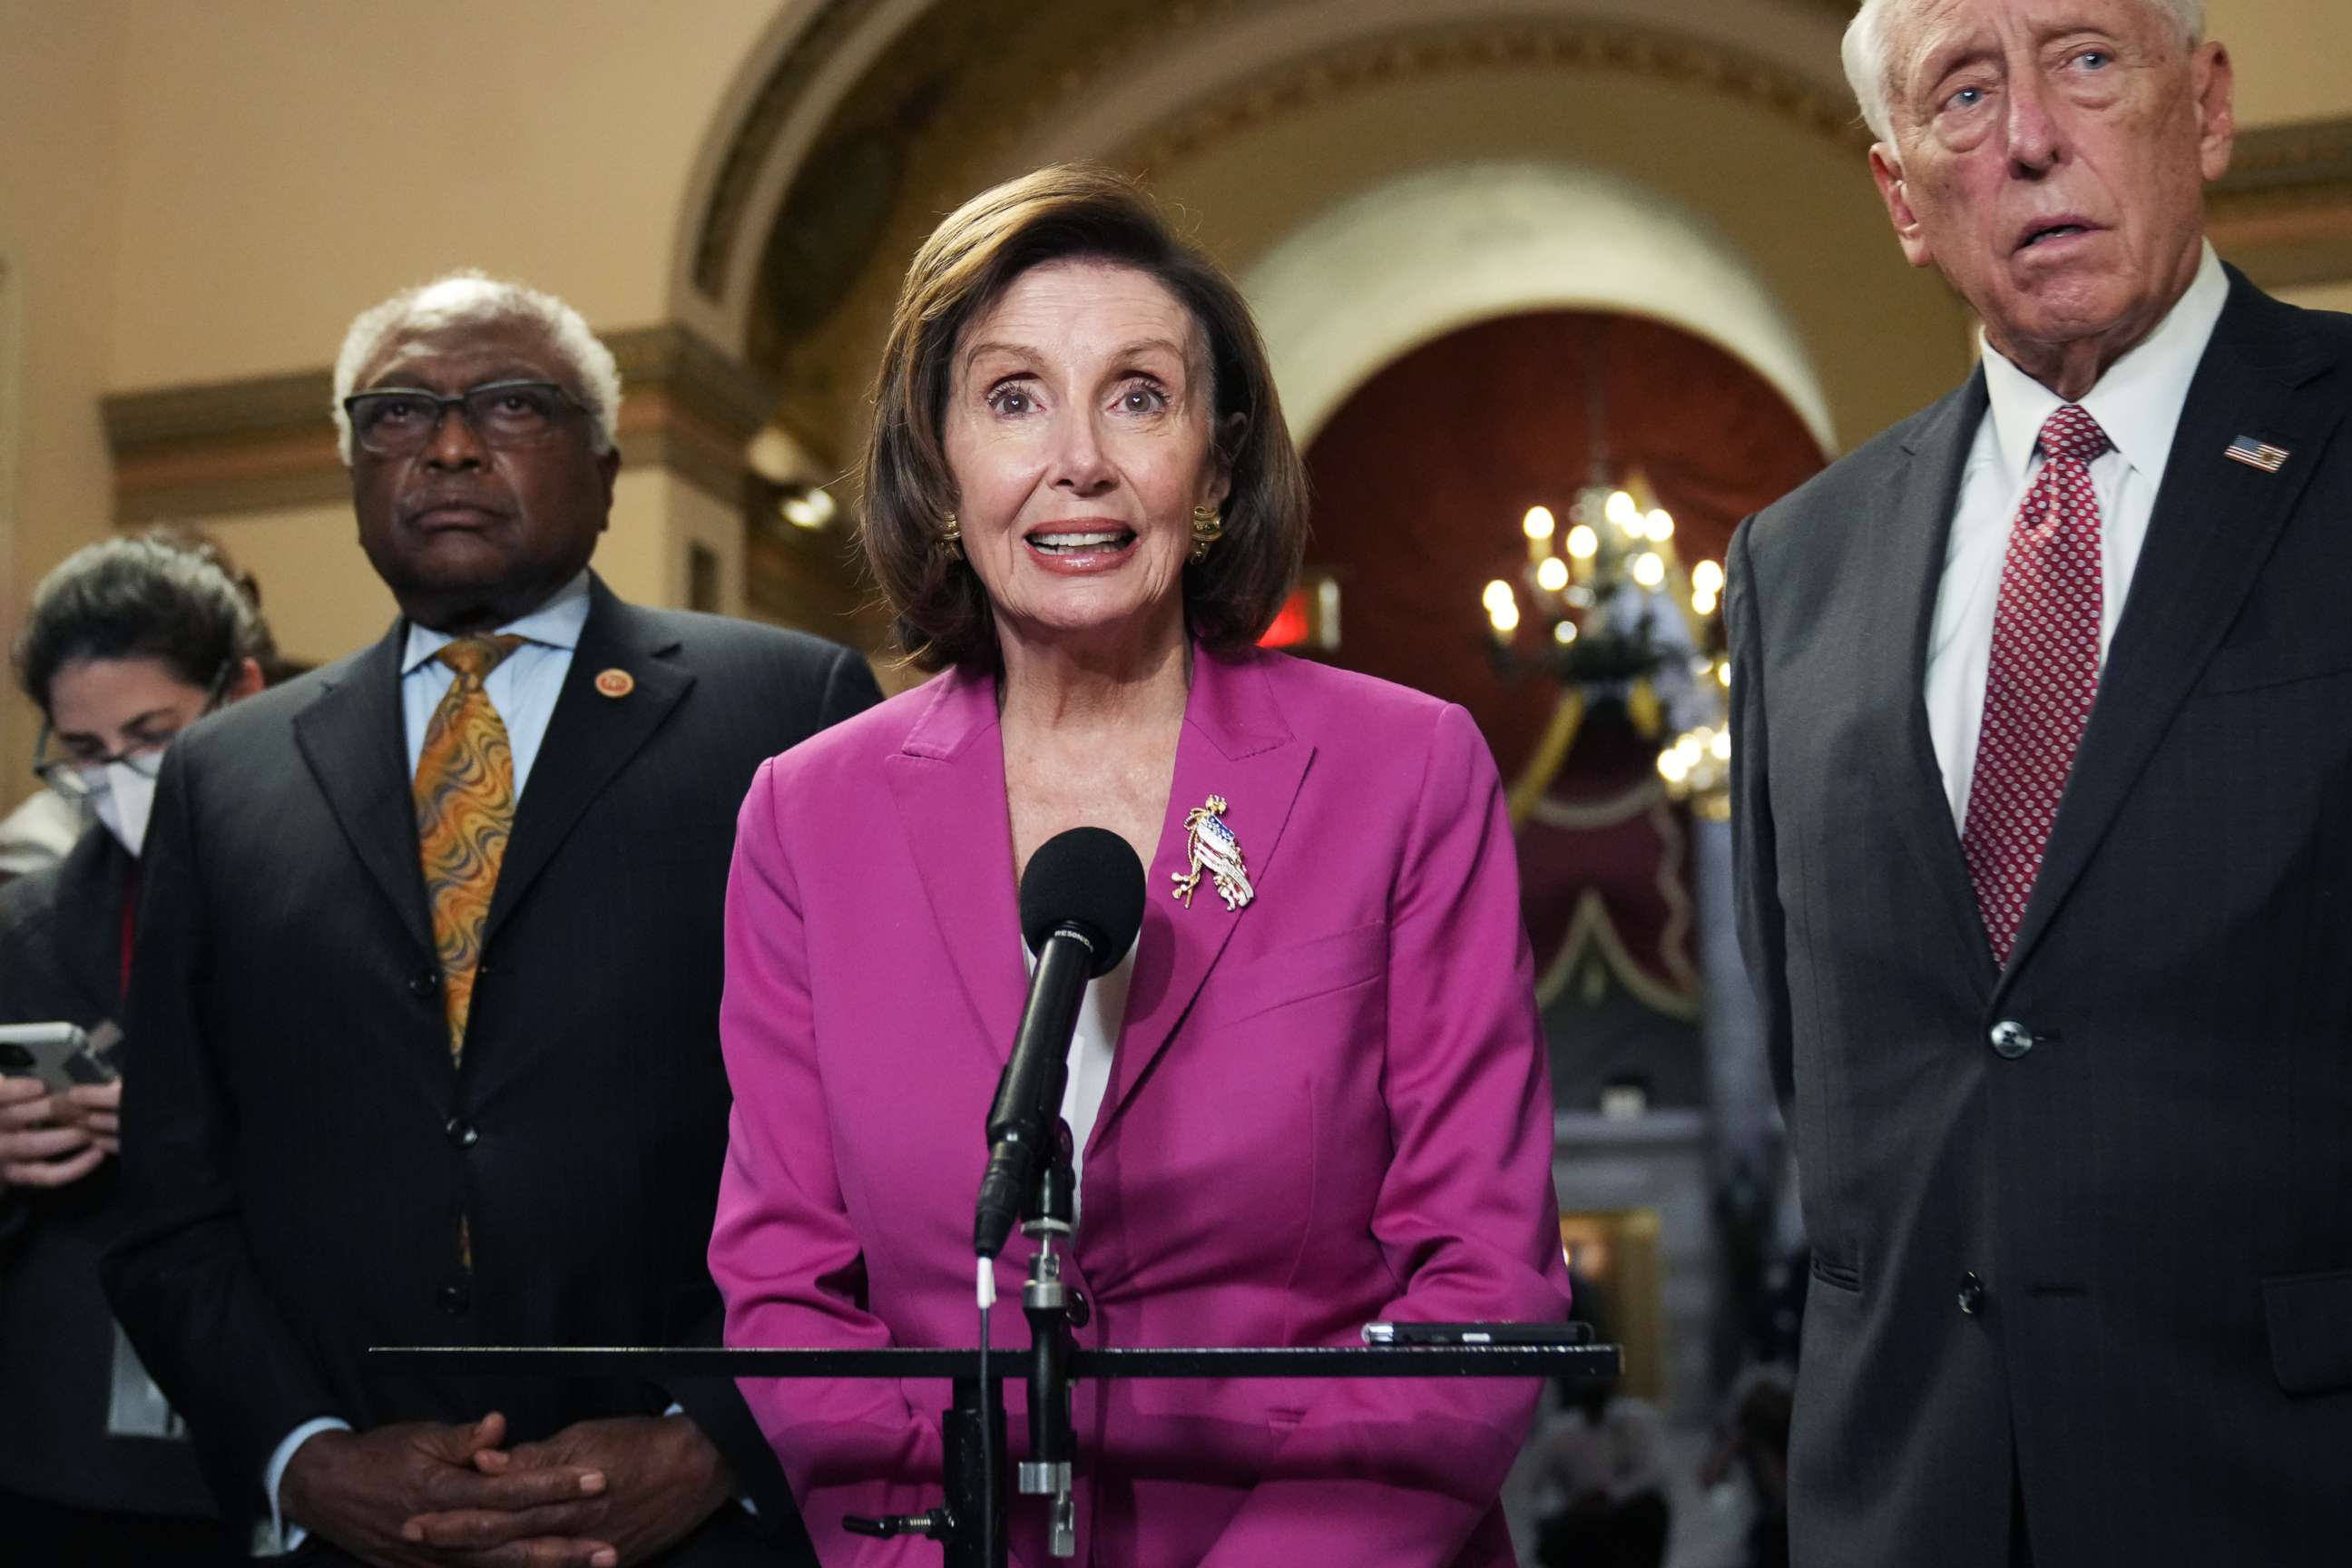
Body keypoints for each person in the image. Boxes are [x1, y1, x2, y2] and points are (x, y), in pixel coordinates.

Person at [708, 164, 1572, 1567]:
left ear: (1216, 466)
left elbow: (1481, 1268)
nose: (1080, 462)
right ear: (937, 465)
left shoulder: (1404, 774)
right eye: (1011, 398)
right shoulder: (807, 817)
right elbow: (788, 1281)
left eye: (1139, 396)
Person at [102, 272, 881, 1567]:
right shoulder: (225, 776)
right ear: (355, 463)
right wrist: (304, 1457)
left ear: (608, 466)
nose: (450, 445)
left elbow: (883, 1145)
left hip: (693, 1525)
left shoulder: (786, 714)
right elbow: (171, 1200)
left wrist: (716, 1438)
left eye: (513, 405)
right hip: (355, 1521)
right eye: (400, 411)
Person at [1728, 1, 2352, 1563]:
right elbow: (1826, 1063)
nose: (2025, 135)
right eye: (1960, 93)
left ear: (2200, 107)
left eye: (2083, 59)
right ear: (1898, 200)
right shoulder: (1791, 564)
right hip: (1910, 1496)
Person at [1, 532, 272, 1563]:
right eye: (83, 752)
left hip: (270, 1426)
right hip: (55, 1446)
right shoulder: (23, 924)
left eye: (152, 735)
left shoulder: (338, 901)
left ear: (241, 691)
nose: (117, 776)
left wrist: (199, 1132)